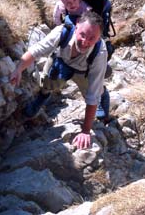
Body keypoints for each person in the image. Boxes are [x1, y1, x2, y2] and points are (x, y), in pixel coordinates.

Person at [10, 11, 108, 150]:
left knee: (94, 93)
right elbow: (36, 51)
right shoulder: (62, 32)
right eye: (82, 34)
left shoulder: (100, 53)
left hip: (84, 70)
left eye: (92, 38)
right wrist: (18, 69)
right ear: (76, 26)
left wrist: (86, 131)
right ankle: (43, 95)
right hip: (62, 60)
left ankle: (104, 96)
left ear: (98, 39)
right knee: (48, 82)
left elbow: (93, 94)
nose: (85, 41)